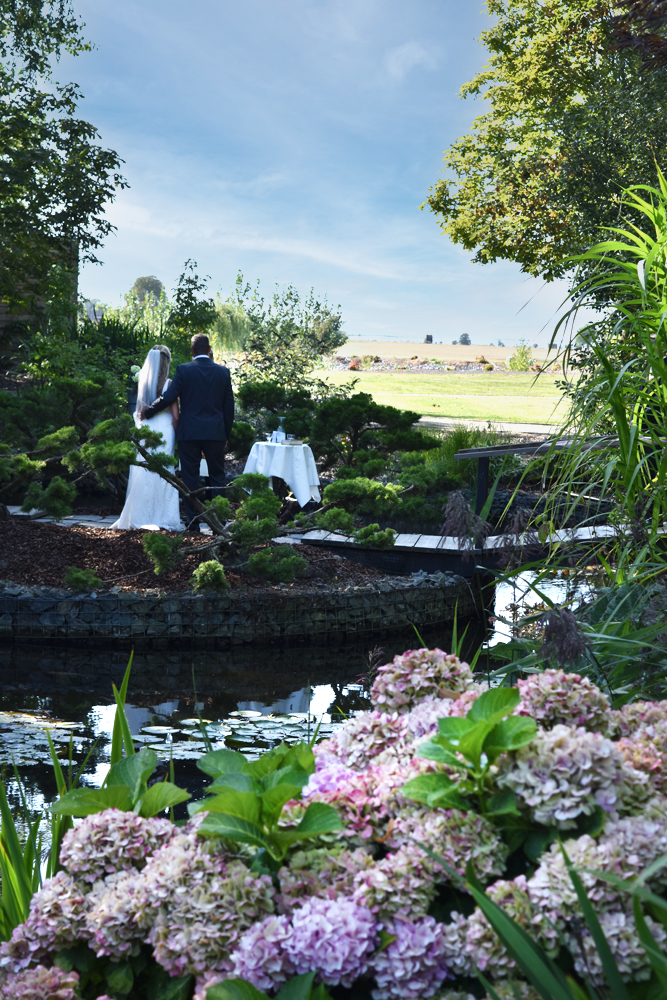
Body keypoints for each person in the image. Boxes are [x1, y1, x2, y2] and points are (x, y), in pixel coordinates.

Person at [142, 333, 234, 533]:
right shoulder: (223, 373)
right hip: (215, 433)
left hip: (189, 433)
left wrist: (148, 411)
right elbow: (229, 408)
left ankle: (193, 523)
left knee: (189, 478)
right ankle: (220, 522)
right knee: (217, 476)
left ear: (191, 351)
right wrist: (226, 434)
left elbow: (168, 397)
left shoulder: (184, 370)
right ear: (209, 350)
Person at [111, 345, 182, 531]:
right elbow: (175, 416)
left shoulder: (142, 382)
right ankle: (163, 516)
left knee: (145, 471)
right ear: (166, 362)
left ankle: (140, 515)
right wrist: (179, 434)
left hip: (146, 430)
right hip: (165, 430)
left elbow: (139, 412)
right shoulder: (169, 384)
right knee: (164, 470)